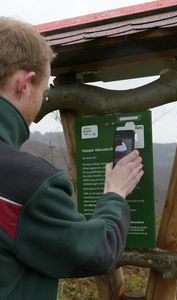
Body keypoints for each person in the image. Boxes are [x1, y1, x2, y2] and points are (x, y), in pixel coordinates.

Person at [0, 17, 144, 299]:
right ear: (24, 84)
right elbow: (94, 252)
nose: (41, 100)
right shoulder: (28, 184)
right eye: (43, 91)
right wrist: (115, 194)